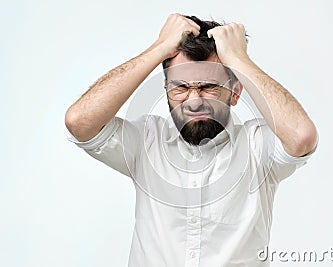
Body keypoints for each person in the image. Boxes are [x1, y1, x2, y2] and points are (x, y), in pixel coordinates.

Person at [65, 14, 318, 267]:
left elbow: (302, 136)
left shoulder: (257, 146)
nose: (194, 101)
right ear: (165, 89)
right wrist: (159, 47)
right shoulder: (146, 140)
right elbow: (79, 121)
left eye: (209, 86)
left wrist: (238, 59)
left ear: (235, 92)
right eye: (180, 87)